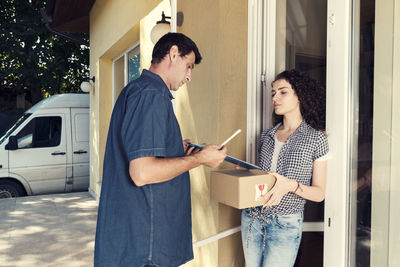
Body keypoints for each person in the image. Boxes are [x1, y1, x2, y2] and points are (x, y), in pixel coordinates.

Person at [94, 33, 227, 267]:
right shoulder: (151, 95)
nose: (189, 76)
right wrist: (200, 160)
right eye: (188, 66)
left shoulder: (138, 90)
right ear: (173, 53)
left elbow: (139, 152)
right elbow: (142, 172)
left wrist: (177, 150)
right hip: (146, 246)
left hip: (137, 240)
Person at [241, 69, 329, 267]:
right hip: (252, 218)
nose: (275, 97)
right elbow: (260, 180)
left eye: (283, 92)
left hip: (285, 222)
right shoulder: (266, 136)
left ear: (300, 95)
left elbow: (319, 193)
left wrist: (289, 185)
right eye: (273, 93)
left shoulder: (316, 138)